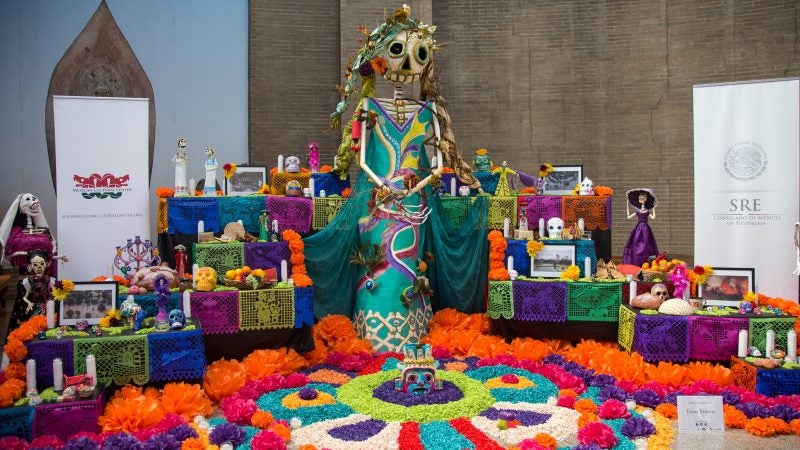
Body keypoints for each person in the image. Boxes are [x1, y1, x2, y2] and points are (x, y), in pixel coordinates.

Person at [7, 250, 54, 334]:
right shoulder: (28, 281)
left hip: (47, 308)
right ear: (30, 266)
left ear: (46, 264)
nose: (39, 268)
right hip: (35, 308)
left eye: (41, 264)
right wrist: (29, 303)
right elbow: (25, 296)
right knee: (35, 326)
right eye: (35, 265)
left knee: (48, 325)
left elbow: (53, 294)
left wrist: (52, 301)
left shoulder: (50, 280)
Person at [622, 188, 659, 266]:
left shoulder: (647, 211)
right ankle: (635, 260)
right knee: (636, 243)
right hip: (638, 229)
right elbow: (629, 217)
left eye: (642, 198)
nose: (641, 200)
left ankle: (649, 261)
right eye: (640, 198)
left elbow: (653, 217)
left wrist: (653, 209)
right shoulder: (638, 211)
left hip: (645, 229)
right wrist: (627, 209)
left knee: (648, 244)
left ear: (645, 199)